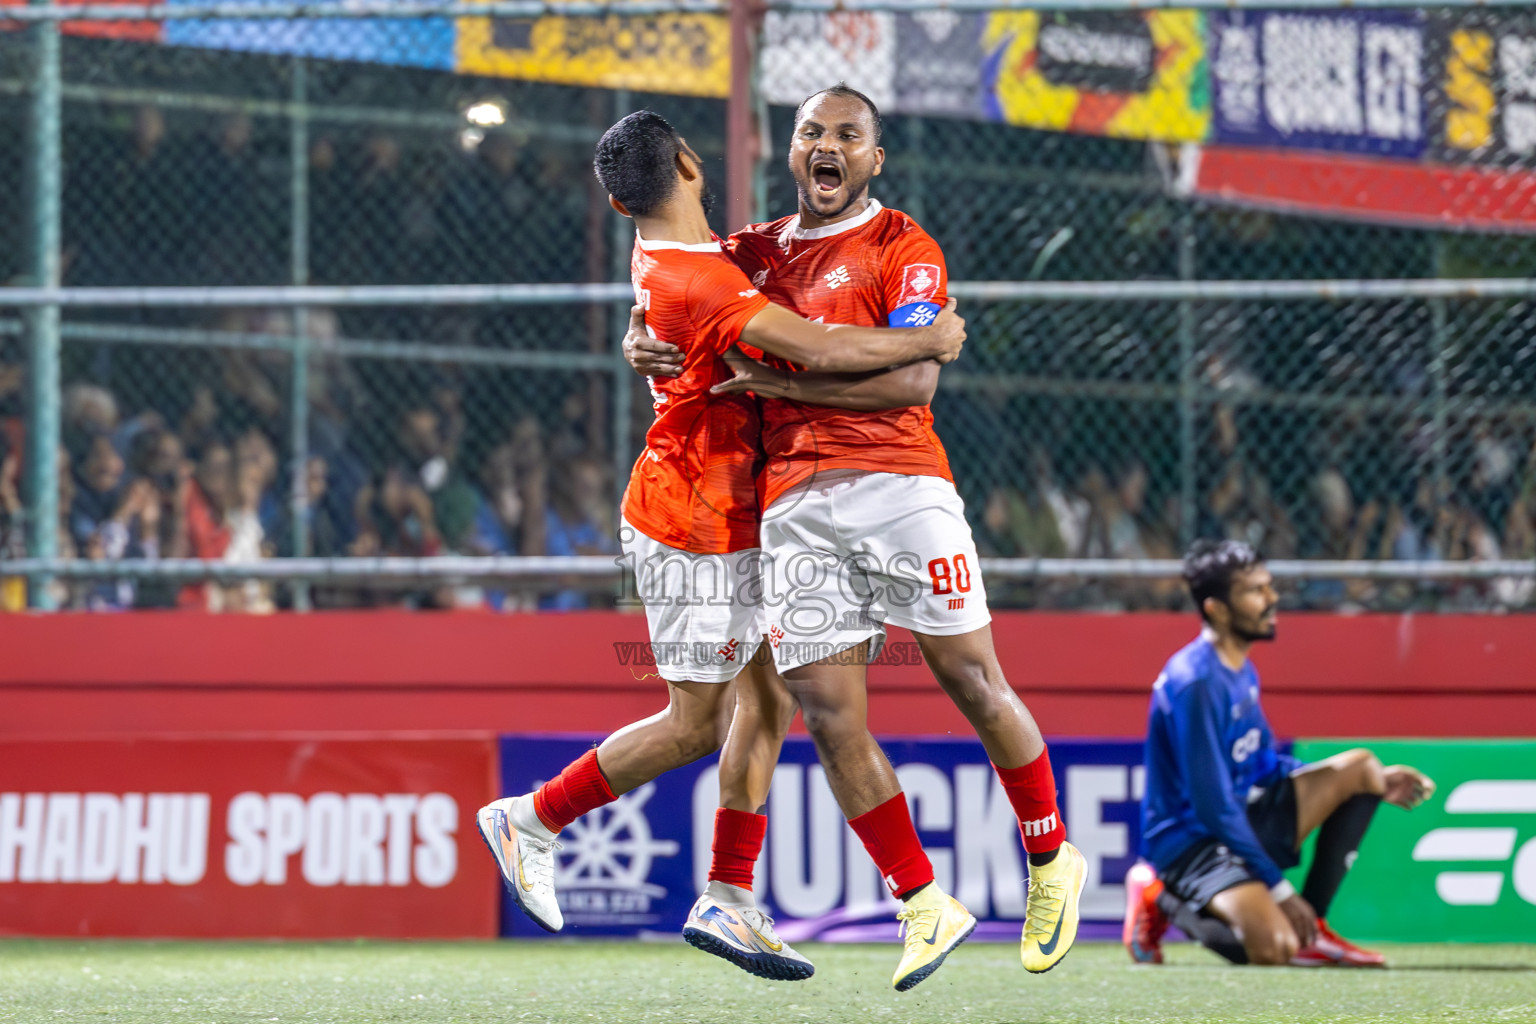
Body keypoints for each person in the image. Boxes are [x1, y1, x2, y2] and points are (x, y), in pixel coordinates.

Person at [474, 109, 967, 987]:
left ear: (621, 204)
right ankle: (534, 818)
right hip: (688, 523)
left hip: (733, 512)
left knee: (769, 696)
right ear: (692, 164)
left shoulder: (691, 255)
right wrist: (929, 339)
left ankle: (729, 896)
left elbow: (674, 305)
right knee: (696, 722)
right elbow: (819, 347)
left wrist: (639, 331)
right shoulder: (699, 276)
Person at [625, 84, 1086, 982]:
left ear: (875, 158)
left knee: (972, 680)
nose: (826, 144)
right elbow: (667, 285)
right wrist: (636, 337)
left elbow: (913, 385)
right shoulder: (750, 252)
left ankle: (1049, 857)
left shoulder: (904, 248)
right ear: (792, 151)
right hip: (791, 505)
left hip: (902, 485)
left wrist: (773, 384)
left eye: (847, 134)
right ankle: (924, 904)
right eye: (811, 131)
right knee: (829, 714)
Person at [1123, 538, 1436, 967]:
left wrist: (1368, 785)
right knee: (1273, 948)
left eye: (1268, 587)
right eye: (1256, 591)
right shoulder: (1196, 682)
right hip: (1191, 842)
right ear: (1217, 609)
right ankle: (1158, 893)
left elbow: (1265, 766)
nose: (1272, 599)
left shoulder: (1239, 668)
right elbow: (1212, 807)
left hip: (1237, 819)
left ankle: (1313, 930)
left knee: (1363, 768)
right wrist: (1279, 888)